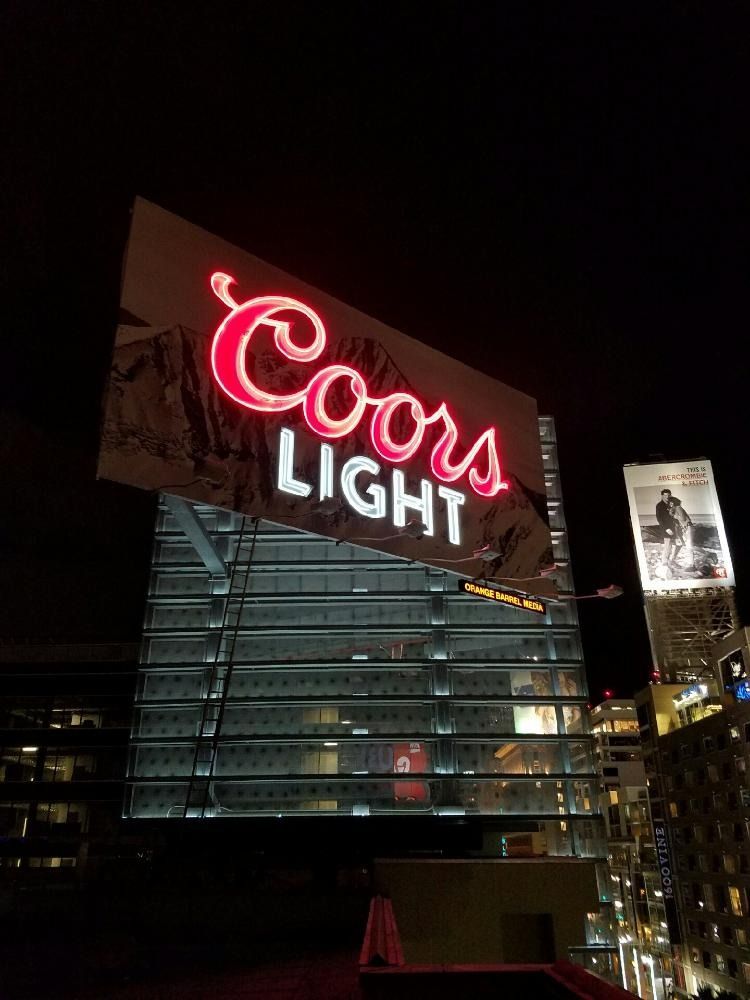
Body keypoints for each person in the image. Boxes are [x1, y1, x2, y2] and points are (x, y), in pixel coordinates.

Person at [670, 496, 695, 570]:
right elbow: (678, 522)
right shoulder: (674, 509)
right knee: (679, 544)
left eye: (671, 502)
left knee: (689, 546)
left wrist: (674, 516)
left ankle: (692, 565)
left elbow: (683, 518)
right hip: (684, 529)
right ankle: (672, 560)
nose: (670, 504)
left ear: (674, 502)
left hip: (688, 527)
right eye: (670, 503)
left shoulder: (678, 507)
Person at [655, 488, 678, 569]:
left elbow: (674, 516)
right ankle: (664, 562)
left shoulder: (671, 504)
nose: (667, 497)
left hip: (673, 528)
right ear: (662, 496)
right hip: (666, 529)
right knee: (667, 545)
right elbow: (659, 519)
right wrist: (666, 528)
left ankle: (670, 561)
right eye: (665, 495)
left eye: (668, 495)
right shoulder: (659, 505)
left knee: (672, 545)